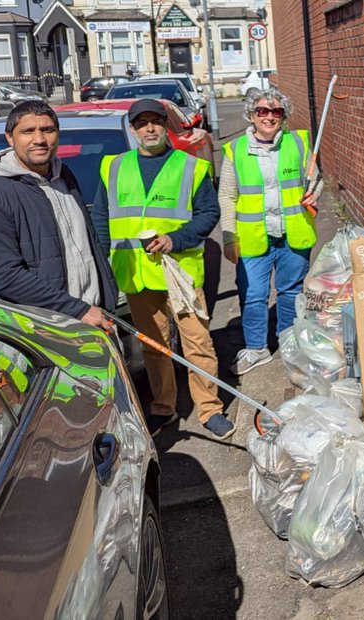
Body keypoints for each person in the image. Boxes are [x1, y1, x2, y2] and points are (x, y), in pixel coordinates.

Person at [91, 99, 234, 440]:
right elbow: (100, 219)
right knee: (154, 346)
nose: (149, 128)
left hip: (178, 273)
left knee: (197, 342)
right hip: (135, 274)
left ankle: (210, 409)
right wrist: (104, 265)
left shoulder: (190, 167)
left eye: (156, 121)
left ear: (166, 125)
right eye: (142, 123)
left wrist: (175, 239)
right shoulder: (112, 166)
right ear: (133, 129)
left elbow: (208, 215)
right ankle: (163, 408)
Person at [0, 100, 117, 330]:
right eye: (28, 131)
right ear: (9, 138)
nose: (39, 139)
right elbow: (6, 277)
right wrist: (77, 309)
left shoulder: (63, 175)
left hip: (94, 318)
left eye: (47, 130)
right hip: (42, 331)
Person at [218, 87, 318, 375]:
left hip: (293, 232)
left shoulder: (297, 143)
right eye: (262, 111)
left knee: (289, 291)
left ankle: (287, 342)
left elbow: (315, 179)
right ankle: (256, 348)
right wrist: (228, 235)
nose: (269, 117)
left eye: (276, 111)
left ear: (283, 115)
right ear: (251, 115)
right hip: (252, 236)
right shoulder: (235, 150)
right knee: (253, 294)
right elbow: (227, 196)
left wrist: (314, 193)